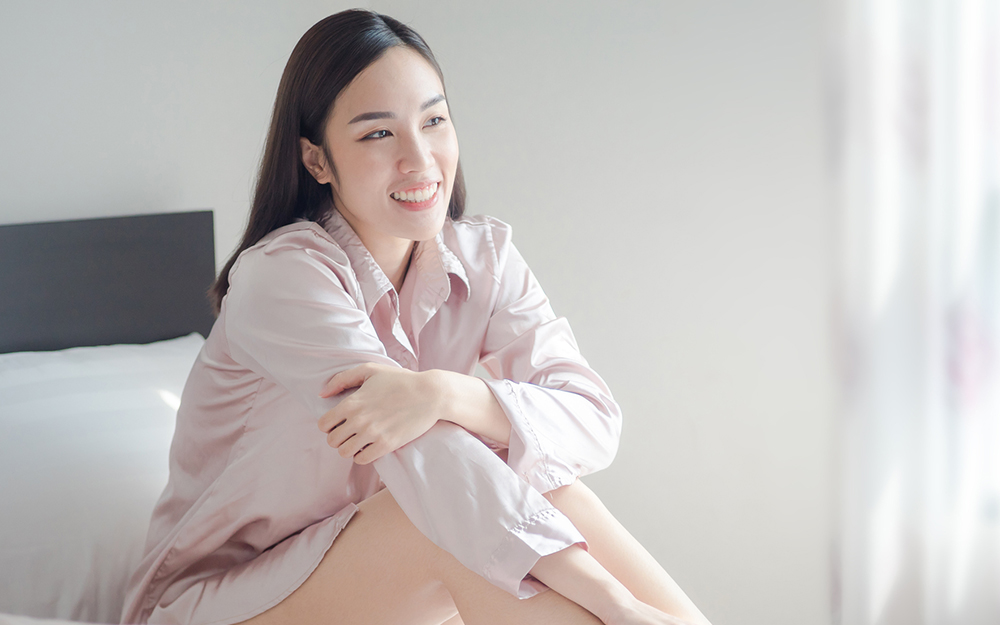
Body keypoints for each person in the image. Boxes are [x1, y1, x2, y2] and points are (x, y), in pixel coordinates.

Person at [120, 9, 712, 625]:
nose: (419, 158)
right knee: (444, 512)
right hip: (219, 602)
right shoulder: (282, 279)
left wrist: (444, 393)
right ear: (317, 161)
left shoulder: (484, 258)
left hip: (376, 566)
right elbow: (431, 463)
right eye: (378, 134)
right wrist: (614, 604)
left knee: (541, 484)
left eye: (434, 121)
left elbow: (593, 421)